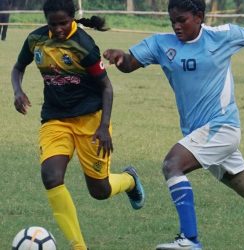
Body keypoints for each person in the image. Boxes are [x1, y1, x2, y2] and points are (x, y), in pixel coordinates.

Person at [103, 0, 244, 249]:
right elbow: (130, 63)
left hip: (223, 128)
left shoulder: (222, 36)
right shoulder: (160, 44)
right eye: (172, 21)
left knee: (172, 164)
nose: (176, 26)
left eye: (182, 20)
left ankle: (190, 239)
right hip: (199, 134)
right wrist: (120, 57)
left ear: (199, 17)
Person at [11, 0, 145, 249]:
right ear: (46, 22)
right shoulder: (35, 39)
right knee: (51, 177)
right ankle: (78, 246)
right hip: (55, 120)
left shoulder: (84, 46)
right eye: (53, 24)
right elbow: (18, 67)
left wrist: (104, 127)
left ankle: (129, 180)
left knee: (100, 190)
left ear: (72, 18)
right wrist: (17, 91)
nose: (59, 29)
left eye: (63, 23)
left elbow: (106, 87)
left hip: (90, 122)